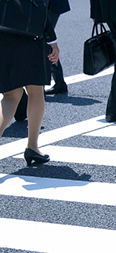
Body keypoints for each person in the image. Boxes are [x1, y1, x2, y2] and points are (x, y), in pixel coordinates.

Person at [0, 14, 59, 166]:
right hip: (31, 37)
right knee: (35, 92)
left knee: (11, 96)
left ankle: (32, 147)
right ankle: (32, 146)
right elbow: (42, 10)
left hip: (3, 37)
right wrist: (52, 42)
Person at [44, 0, 71, 95]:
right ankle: (59, 82)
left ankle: (40, 87)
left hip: (51, 5)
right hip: (44, 4)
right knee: (45, 42)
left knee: (44, 41)